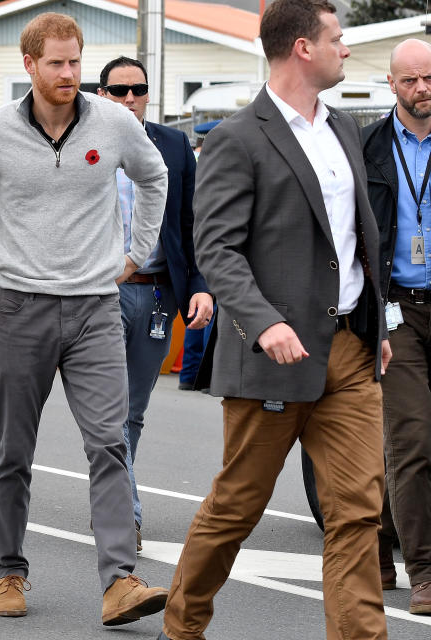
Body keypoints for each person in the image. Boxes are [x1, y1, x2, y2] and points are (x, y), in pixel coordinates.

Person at [0, 12, 171, 626]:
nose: (68, 73)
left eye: (75, 61)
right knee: (13, 452)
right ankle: (9, 571)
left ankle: (119, 582)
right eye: (56, 63)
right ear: (28, 65)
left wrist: (137, 252)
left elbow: (155, 175)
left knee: (110, 443)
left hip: (95, 310)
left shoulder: (112, 122)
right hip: (22, 309)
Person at [159, 2, 391, 638]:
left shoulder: (344, 128)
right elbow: (217, 249)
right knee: (237, 507)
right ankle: (183, 624)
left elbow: (357, 240)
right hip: (273, 357)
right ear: (302, 49)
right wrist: (263, 322)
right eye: (336, 39)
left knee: (357, 512)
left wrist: (378, 322)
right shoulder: (238, 137)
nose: (346, 50)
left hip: (350, 350)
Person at [96, 56, 212, 551]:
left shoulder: (173, 143)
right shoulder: (83, 140)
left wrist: (200, 284)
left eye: (137, 90)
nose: (128, 99)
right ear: (101, 94)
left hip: (160, 291)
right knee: (113, 410)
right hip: (101, 291)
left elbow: (190, 221)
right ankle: (127, 514)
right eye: (118, 90)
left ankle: (112, 496)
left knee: (135, 410)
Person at [361, 37, 431, 616]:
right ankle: (425, 570)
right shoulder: (368, 148)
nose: (421, 89)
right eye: (409, 80)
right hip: (395, 310)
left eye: (429, 78)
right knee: (412, 438)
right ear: (391, 85)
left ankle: (381, 540)